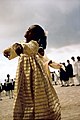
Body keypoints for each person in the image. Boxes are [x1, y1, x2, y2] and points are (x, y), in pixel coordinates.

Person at [3, 24, 61, 120]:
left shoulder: (34, 44)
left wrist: (19, 47)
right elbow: (15, 49)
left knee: (36, 94)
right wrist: (8, 51)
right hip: (24, 76)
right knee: (25, 96)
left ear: (34, 35)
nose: (27, 31)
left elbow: (27, 48)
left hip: (34, 75)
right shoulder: (22, 44)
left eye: (29, 30)